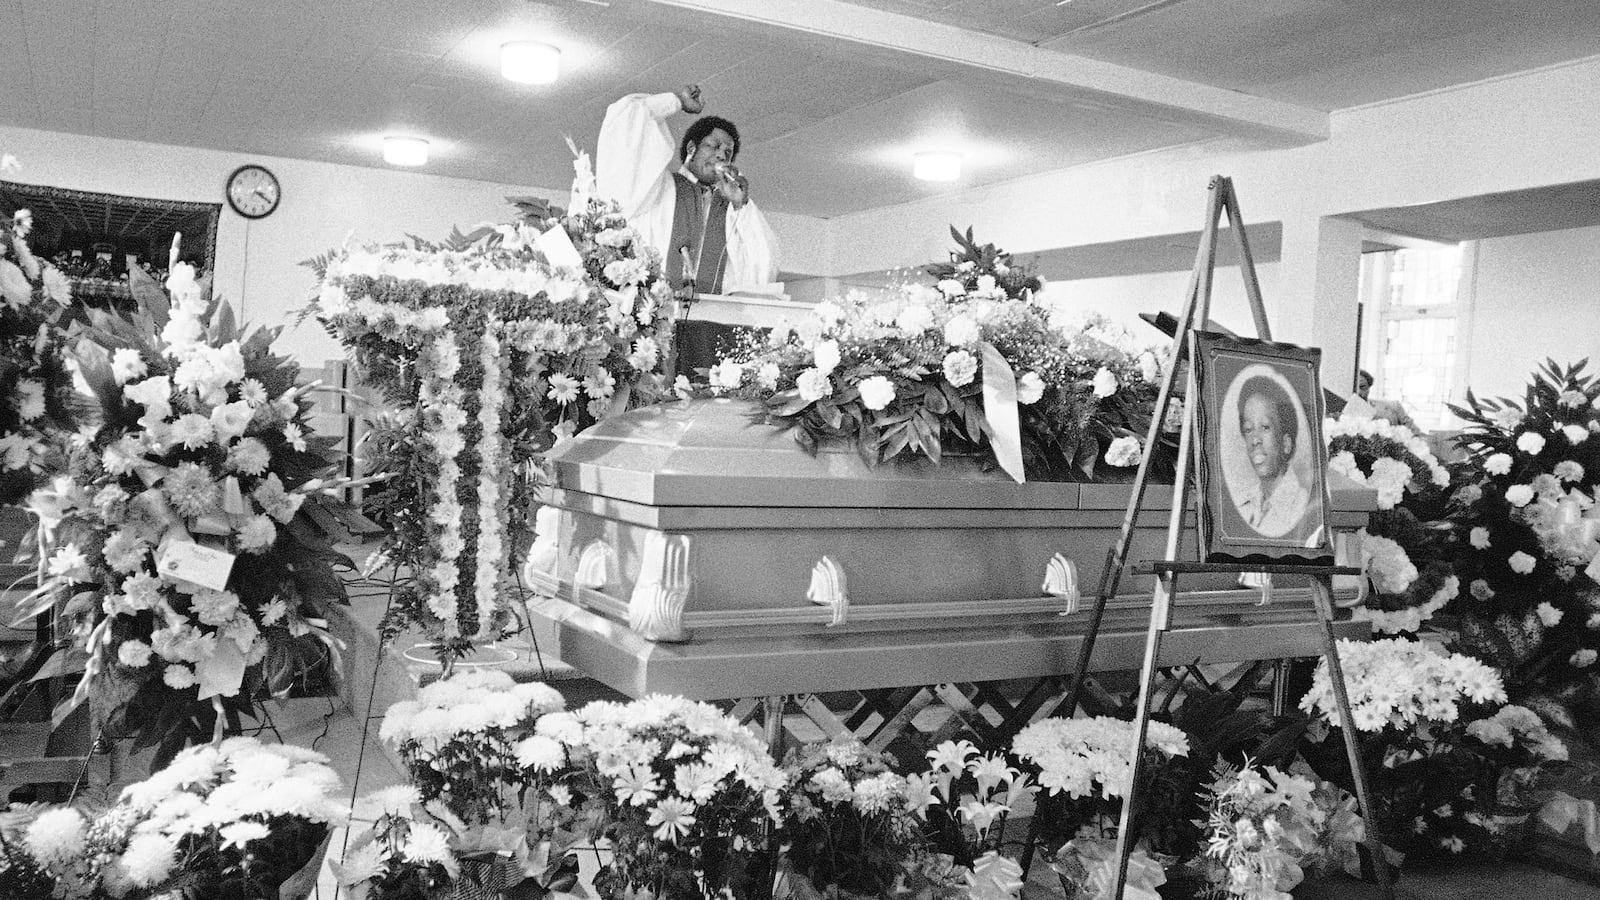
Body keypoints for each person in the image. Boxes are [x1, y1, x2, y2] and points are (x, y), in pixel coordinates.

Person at [596, 84, 779, 296]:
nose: (721, 155)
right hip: (653, 313)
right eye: (713, 146)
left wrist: (741, 205)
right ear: (692, 148)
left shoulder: (733, 208)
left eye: (728, 152)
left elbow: (765, 265)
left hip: (707, 321)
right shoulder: (658, 188)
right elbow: (629, 121)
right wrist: (677, 101)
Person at [1231, 374, 1317, 540]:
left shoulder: (1303, 507)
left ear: (1286, 443)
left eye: (1265, 427)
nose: (1255, 440)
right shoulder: (1244, 504)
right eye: (1248, 429)